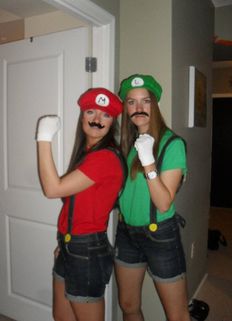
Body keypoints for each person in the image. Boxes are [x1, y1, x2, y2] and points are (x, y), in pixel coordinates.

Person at [36, 88, 124, 321]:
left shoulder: (104, 157)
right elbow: (74, 203)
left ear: (113, 122)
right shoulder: (88, 153)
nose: (96, 120)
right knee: (62, 317)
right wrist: (64, 240)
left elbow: (52, 189)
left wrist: (43, 137)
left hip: (86, 250)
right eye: (91, 111)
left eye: (105, 115)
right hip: (69, 244)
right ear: (82, 117)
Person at [114, 74, 191, 321]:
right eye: (131, 102)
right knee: (128, 305)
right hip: (126, 232)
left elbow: (163, 201)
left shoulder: (172, 144)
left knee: (176, 314)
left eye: (145, 101)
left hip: (160, 235)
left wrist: (148, 160)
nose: (138, 108)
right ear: (125, 108)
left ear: (155, 104)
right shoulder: (126, 145)